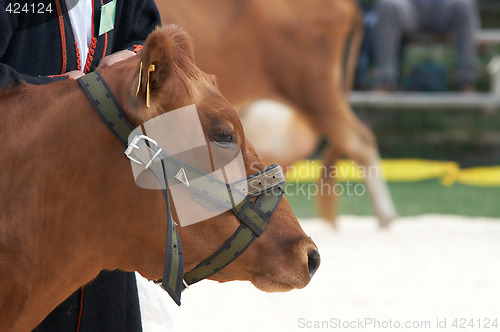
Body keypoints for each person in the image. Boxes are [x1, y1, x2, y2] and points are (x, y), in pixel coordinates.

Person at [1, 0, 160, 330]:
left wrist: (134, 60)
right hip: (21, 209)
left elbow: (150, 37)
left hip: (99, 203)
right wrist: (57, 92)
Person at [372, 0, 480, 92]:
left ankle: (467, 83)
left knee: (464, 3)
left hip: (444, 7)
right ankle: (385, 81)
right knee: (387, 4)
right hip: (409, 8)